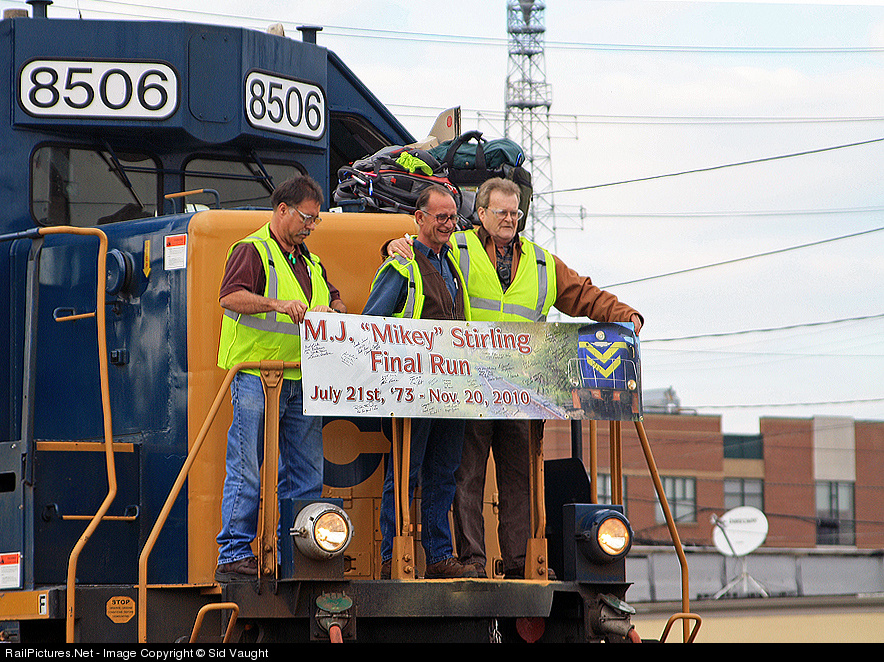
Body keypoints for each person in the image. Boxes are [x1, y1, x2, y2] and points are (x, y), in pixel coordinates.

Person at [386, 177, 643, 579]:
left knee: (520, 478)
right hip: (469, 387)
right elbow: (418, 250)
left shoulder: (542, 263)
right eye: (501, 211)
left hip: (523, 390)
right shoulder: (456, 247)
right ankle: (471, 559)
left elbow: (583, 293)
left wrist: (624, 315)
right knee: (466, 476)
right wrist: (391, 245)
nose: (509, 219)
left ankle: (521, 562)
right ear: (481, 213)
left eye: (515, 212)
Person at [215, 175, 347, 582]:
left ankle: (298, 553)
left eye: (316, 220)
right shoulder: (252, 250)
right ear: (282, 210)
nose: (311, 226)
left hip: (302, 378)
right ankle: (234, 553)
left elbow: (334, 297)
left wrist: (335, 310)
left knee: (306, 472)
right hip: (256, 375)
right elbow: (229, 297)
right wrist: (276, 303)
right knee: (247, 467)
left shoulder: (310, 262)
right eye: (307, 218)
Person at [363, 184, 479, 579]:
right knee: (405, 474)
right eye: (441, 217)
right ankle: (393, 557)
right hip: (410, 392)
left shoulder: (452, 265)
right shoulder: (401, 265)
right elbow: (372, 324)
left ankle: (438, 557)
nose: (449, 224)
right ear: (419, 218)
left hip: (451, 392)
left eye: (453, 217)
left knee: (443, 474)